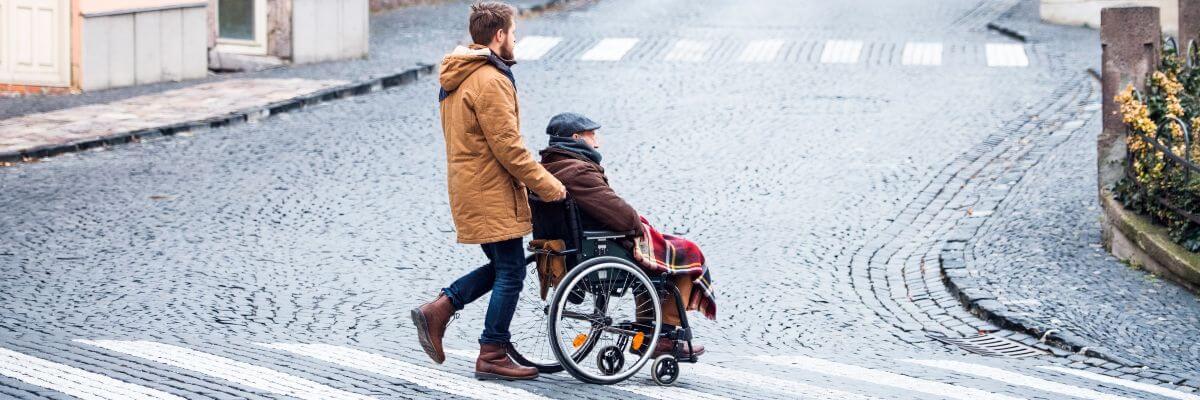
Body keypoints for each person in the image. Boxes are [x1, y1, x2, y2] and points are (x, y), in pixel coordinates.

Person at [411, 1, 566, 381]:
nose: (516, 39)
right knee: (512, 272)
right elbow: (508, 147)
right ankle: (492, 351)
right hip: (489, 190)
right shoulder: (490, 80)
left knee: (504, 266)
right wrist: (550, 186)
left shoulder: (462, 73)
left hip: (472, 186)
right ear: (499, 35)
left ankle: (441, 308)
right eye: (513, 32)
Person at [538, 112, 716, 357]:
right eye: (592, 136)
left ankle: (648, 331)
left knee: (660, 259)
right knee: (687, 253)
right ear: (576, 138)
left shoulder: (549, 168)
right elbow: (622, 217)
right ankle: (663, 336)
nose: (597, 142)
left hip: (578, 245)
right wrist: (637, 224)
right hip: (602, 246)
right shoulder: (578, 171)